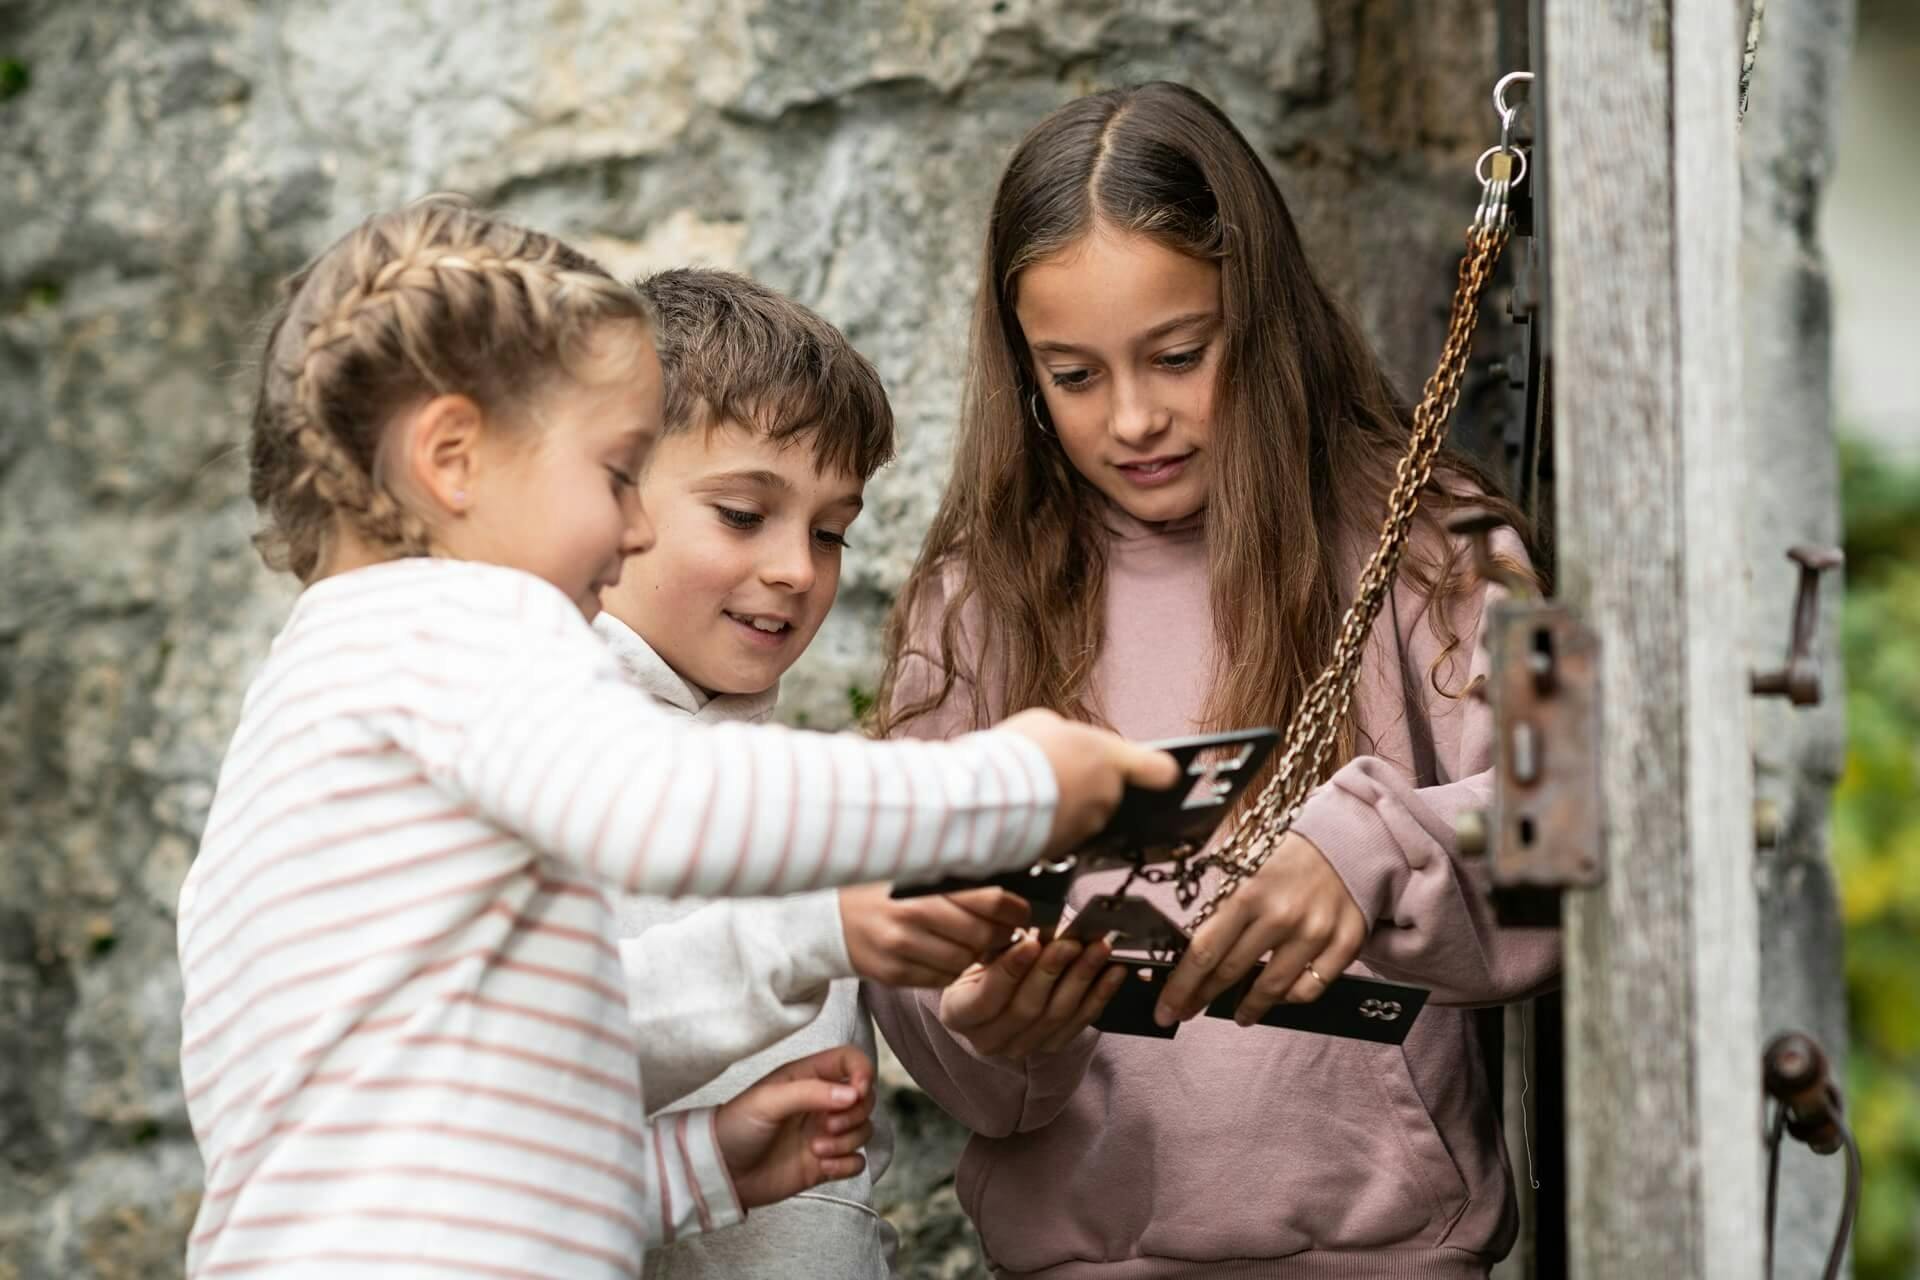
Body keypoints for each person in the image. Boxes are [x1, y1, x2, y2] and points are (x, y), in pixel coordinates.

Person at [175, 198, 1175, 1280]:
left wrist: (702, 1164)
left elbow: (475, 1128)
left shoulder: (312, 708)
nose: (636, 524)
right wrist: (1011, 785)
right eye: (615, 475)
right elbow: (663, 802)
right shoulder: (453, 621)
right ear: (453, 458)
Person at [867, 82, 1559, 1279]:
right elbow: (911, 952)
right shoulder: (971, 600)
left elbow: (1579, 820)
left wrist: (1366, 844)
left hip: (1391, 1255)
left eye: (1180, 354)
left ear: (1265, 309)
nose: (1133, 417)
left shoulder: (1444, 529)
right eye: (1074, 376)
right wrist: (981, 1022)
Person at [599, 267, 1028, 1278]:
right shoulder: (540, 754)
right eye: (745, 514)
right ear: (606, 491)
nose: (798, 567)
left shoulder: (814, 789)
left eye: (831, 531)